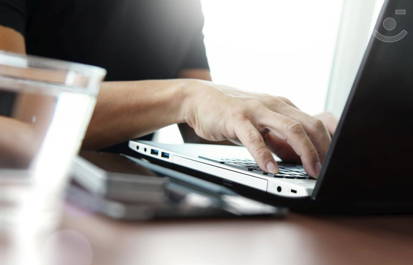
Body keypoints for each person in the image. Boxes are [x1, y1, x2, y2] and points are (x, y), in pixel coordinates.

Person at [0, 0, 336, 178]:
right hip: (27, 190)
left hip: (121, 198)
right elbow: (11, 108)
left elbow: (200, 126)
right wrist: (187, 96)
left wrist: (279, 132)